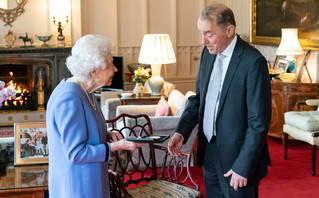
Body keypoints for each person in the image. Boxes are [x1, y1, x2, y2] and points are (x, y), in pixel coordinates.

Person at [168, 3, 271, 198]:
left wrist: (243, 166)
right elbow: (199, 100)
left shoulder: (253, 62)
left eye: (209, 33)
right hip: (209, 152)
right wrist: (182, 132)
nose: (203, 40)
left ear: (229, 30)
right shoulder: (208, 53)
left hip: (238, 160)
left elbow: (258, 122)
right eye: (201, 33)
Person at [46, 34, 145, 198]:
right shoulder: (69, 98)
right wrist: (118, 146)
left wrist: (106, 134)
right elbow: (75, 153)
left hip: (90, 179)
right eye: (110, 64)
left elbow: (83, 133)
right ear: (94, 71)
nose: (115, 69)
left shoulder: (87, 92)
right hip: (76, 186)